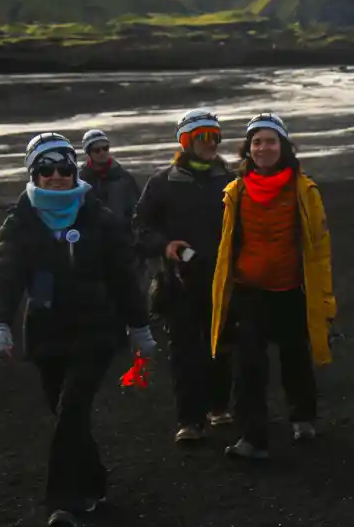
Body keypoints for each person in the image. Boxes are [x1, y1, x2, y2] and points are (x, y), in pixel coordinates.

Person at [0, 133, 157, 527]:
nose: (57, 176)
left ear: (73, 169)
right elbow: (5, 277)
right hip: (46, 332)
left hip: (96, 329)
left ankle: (62, 502)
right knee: (65, 414)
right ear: (34, 174)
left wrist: (139, 327)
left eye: (64, 167)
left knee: (71, 410)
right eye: (46, 169)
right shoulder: (20, 222)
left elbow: (123, 278)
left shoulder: (99, 217)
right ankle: (94, 482)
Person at [209, 113, 336, 459]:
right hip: (250, 290)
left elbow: (319, 247)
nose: (263, 148)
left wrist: (325, 298)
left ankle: (303, 417)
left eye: (270, 141)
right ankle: (253, 438)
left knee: (295, 357)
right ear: (247, 149)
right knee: (248, 366)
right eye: (256, 142)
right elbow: (228, 245)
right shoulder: (235, 192)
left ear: (284, 147)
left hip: (292, 289)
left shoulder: (304, 191)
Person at [132, 109, 236, 444]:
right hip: (179, 282)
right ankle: (189, 421)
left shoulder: (232, 181)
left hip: (224, 280)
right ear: (185, 141)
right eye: (201, 136)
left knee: (223, 346)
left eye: (215, 136)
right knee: (184, 352)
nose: (210, 142)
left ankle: (219, 406)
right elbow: (140, 228)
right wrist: (164, 246)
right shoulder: (161, 184)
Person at [77, 129, 141, 230]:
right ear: (88, 153)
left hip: (121, 234)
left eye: (105, 148)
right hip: (91, 235)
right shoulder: (80, 181)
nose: (102, 153)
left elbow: (138, 208)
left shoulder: (124, 178)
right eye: (97, 150)